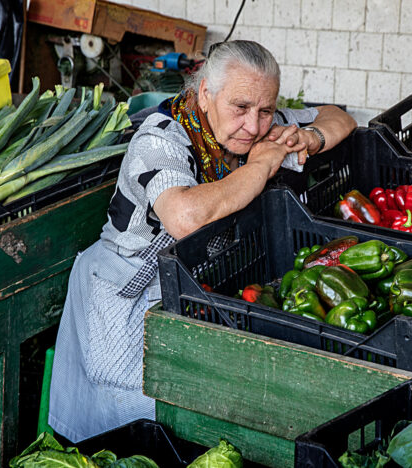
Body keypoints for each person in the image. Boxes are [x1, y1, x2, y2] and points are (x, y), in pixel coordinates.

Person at [48, 40, 356, 442]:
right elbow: (186, 217)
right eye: (240, 108)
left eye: (265, 110)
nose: (254, 125)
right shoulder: (161, 138)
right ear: (206, 92)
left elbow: (340, 118)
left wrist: (311, 137)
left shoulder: (262, 122)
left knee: (184, 425)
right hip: (126, 290)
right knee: (120, 431)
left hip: (191, 286)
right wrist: (262, 164)